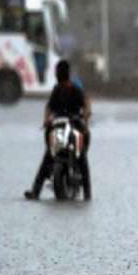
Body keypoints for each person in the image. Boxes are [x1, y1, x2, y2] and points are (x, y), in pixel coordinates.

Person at [24, 60, 92, 200]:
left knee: (82, 157)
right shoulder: (57, 90)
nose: (56, 73)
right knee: (48, 154)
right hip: (58, 125)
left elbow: (86, 104)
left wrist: (84, 118)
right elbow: (49, 107)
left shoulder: (75, 89)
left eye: (57, 71)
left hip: (74, 123)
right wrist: (47, 119)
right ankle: (35, 191)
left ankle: (87, 194)